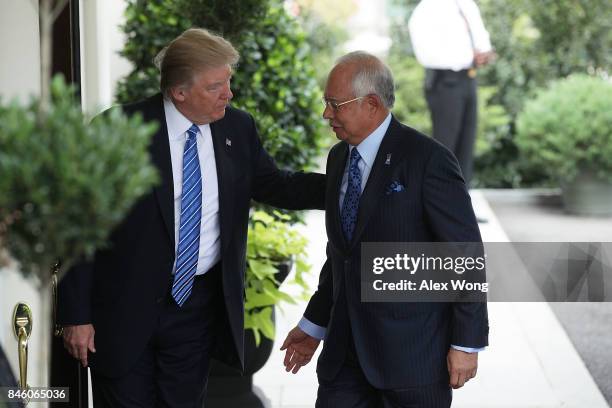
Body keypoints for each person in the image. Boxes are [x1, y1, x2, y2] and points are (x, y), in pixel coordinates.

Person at [57, 28, 325, 407]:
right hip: (122, 312)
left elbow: (277, 185)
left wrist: (350, 185)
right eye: (216, 86)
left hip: (196, 310)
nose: (228, 94)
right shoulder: (118, 130)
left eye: (228, 82)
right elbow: (78, 226)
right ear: (178, 92)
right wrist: (76, 315)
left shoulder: (237, 127)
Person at [280, 52, 488, 408]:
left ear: (372, 104)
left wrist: (465, 343)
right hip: (344, 361)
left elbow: (464, 256)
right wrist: (314, 326)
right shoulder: (338, 157)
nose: (326, 114)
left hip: (411, 362)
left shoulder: (428, 160)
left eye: (335, 104)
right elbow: (342, 258)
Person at [408, 0, 495, 185]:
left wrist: (485, 53)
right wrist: (468, 56)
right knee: (445, 149)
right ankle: (438, 209)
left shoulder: (466, 4)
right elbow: (426, 54)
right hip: (445, 83)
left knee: (466, 146)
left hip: (468, 78)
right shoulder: (426, 9)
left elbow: (481, 36)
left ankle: (461, 209)